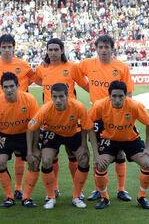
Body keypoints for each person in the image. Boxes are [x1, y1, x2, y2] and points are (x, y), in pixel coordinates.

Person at [75, 35, 135, 202]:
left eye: (106, 47)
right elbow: (74, 72)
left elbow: (128, 92)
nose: (103, 50)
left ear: (112, 49)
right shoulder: (87, 64)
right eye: (100, 47)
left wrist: (126, 113)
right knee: (100, 152)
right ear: (96, 48)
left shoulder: (121, 67)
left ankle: (121, 189)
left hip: (117, 114)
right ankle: (98, 189)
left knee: (121, 152)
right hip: (97, 113)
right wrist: (87, 87)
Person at [28, 83, 98, 209]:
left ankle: (76, 196)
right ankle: (51, 196)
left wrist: (84, 145)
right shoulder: (45, 108)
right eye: (54, 97)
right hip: (53, 133)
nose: (58, 100)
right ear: (51, 97)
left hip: (72, 133)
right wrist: (33, 148)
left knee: (84, 158)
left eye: (61, 96)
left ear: (68, 96)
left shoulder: (78, 107)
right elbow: (31, 127)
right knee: (46, 160)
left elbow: (88, 127)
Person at [0, 34, 36, 200]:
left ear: (14, 47)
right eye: (3, 47)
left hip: (19, 112)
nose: (6, 50)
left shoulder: (23, 65)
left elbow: (36, 79)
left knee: (22, 154)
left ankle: (19, 188)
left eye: (9, 46)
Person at [34, 38, 89, 198]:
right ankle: (54, 188)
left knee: (73, 154)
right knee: (52, 155)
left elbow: (85, 85)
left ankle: (77, 189)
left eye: (56, 49)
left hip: (71, 117)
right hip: (49, 119)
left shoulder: (72, 67)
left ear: (62, 50)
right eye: (50, 50)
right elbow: (38, 81)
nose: (53, 53)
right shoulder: (42, 69)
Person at [89, 80, 149, 209]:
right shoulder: (100, 105)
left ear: (126, 96)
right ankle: (104, 197)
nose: (117, 99)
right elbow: (89, 125)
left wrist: (148, 147)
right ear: (109, 96)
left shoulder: (135, 106)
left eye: (121, 96)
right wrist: (96, 154)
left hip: (130, 139)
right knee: (100, 165)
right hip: (110, 140)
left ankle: (142, 196)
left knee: (147, 163)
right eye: (114, 96)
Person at [0, 72, 40, 208]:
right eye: (5, 87)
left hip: (25, 134)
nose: (9, 90)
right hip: (5, 135)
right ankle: (9, 197)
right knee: (0, 162)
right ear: (1, 88)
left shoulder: (29, 99)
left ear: (18, 86)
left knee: (35, 160)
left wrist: (34, 148)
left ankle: (27, 198)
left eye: (12, 86)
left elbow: (35, 126)